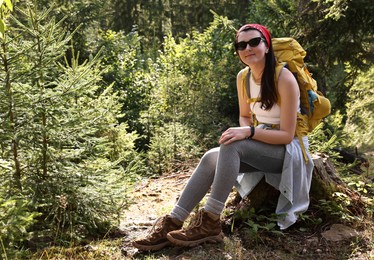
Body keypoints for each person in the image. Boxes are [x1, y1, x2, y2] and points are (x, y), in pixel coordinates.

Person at [132, 24, 314, 251]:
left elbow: (287, 135)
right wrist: (247, 131)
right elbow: (245, 116)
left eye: (255, 42)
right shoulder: (243, 78)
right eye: (241, 45)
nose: (248, 48)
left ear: (267, 46)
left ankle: (210, 221)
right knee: (211, 156)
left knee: (233, 144)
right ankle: (173, 221)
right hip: (261, 142)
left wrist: (249, 133)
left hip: (288, 152)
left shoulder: (284, 78)